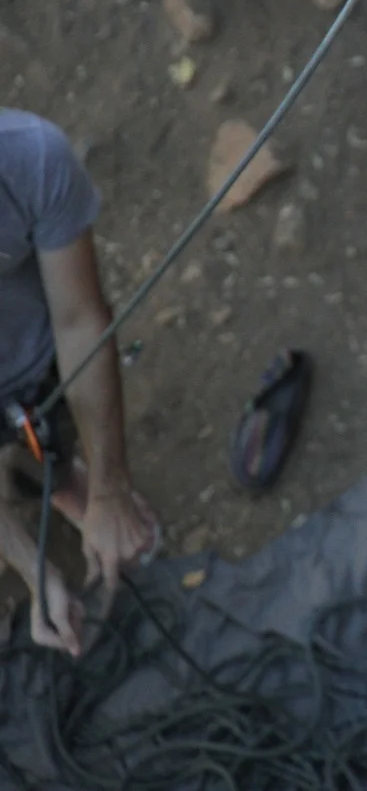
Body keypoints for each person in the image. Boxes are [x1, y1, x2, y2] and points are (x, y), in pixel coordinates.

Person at [0, 108, 157, 656]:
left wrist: (110, 495)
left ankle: (64, 483)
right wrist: (30, 566)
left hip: (38, 359)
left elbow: (81, 322)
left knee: (53, 447)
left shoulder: (28, 158)